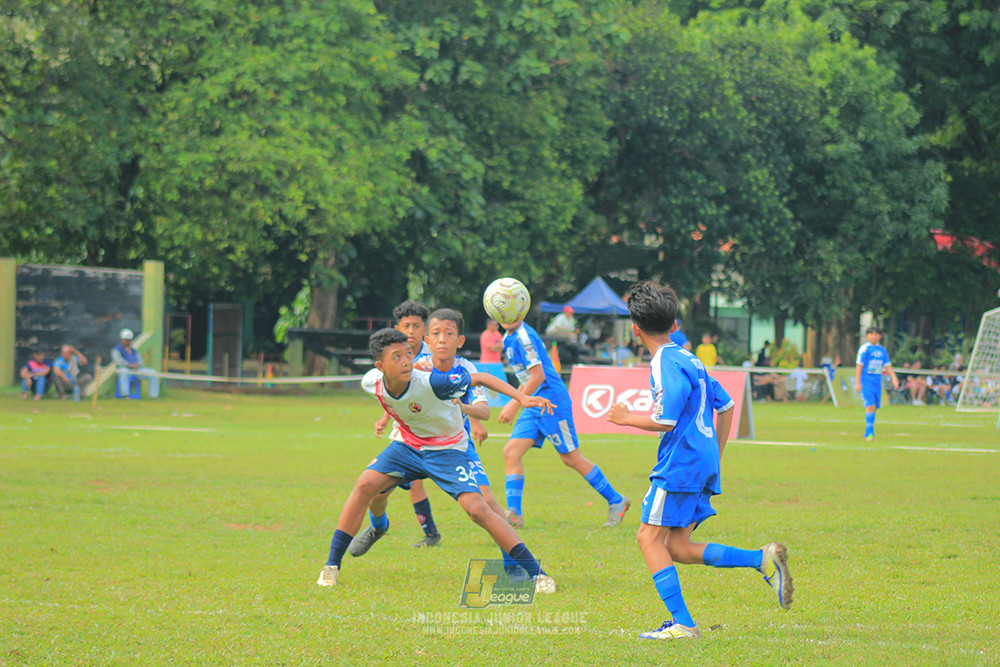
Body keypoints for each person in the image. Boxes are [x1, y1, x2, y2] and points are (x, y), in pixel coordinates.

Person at [607, 280, 792, 640]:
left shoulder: (663, 361)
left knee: (648, 538)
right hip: (701, 459)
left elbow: (666, 418)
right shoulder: (688, 357)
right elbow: (727, 405)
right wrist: (715, 457)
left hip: (681, 462)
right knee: (675, 546)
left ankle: (683, 625)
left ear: (635, 330)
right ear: (675, 325)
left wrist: (626, 417)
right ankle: (762, 559)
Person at [317, 327, 557, 593]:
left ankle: (537, 574)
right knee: (365, 485)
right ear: (380, 366)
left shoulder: (435, 382)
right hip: (407, 446)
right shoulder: (371, 382)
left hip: (447, 450)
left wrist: (522, 397)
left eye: (408, 353)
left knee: (477, 509)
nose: (406, 361)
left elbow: (484, 378)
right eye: (396, 357)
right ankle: (331, 566)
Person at [349, 309, 525, 577]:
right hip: (411, 439)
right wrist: (386, 419)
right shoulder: (415, 363)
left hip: (454, 445)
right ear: (428, 340)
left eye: (449, 334)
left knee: (485, 501)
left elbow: (483, 411)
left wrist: (465, 409)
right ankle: (380, 526)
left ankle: (513, 563)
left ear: (459, 340)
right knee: (378, 491)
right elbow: (394, 388)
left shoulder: (466, 369)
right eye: (436, 334)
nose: (442, 339)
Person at [498, 311, 630, 528]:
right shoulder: (508, 337)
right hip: (534, 402)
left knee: (571, 458)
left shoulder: (524, 337)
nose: (507, 314)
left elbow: (538, 376)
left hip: (552, 402)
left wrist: (514, 403)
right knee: (511, 452)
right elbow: (527, 378)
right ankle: (514, 515)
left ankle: (617, 501)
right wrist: (518, 399)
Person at [370, 299, 447, 548]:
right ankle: (426, 533)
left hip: (438, 433)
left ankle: (507, 522)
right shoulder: (395, 356)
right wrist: (384, 418)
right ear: (398, 327)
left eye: (416, 326)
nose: (411, 331)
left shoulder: (433, 355)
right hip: (407, 431)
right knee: (390, 487)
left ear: (425, 329)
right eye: (406, 326)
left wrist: (475, 420)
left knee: (478, 494)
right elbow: (394, 395)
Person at [855, 325, 899, 440]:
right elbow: (859, 366)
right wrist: (857, 382)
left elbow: (887, 365)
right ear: (867, 336)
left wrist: (894, 378)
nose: (874, 336)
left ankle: (869, 432)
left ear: (880, 336)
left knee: (874, 407)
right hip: (866, 381)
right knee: (870, 405)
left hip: (877, 382)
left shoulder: (881, 350)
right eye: (871, 334)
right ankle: (869, 433)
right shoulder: (864, 349)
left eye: (876, 334)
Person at [112, 329, 160, 399]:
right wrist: (128, 365)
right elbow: (118, 361)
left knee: (153, 373)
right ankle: (125, 395)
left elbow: (140, 360)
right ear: (122, 339)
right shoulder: (116, 350)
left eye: (129, 340)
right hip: (125, 369)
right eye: (126, 340)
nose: (128, 342)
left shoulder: (133, 350)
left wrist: (137, 365)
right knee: (123, 372)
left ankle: (154, 396)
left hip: (136, 370)